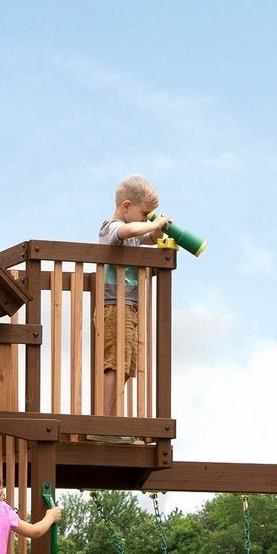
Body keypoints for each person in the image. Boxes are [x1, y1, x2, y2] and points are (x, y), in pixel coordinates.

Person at [97, 175, 171, 416]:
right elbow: (129, 230)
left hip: (128, 308)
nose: (146, 219)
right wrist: (152, 223)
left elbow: (151, 238)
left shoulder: (134, 233)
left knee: (126, 366)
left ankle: (109, 417)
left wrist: (158, 228)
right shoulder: (110, 228)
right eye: (145, 214)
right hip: (115, 306)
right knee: (115, 363)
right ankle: (103, 419)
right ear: (127, 206)